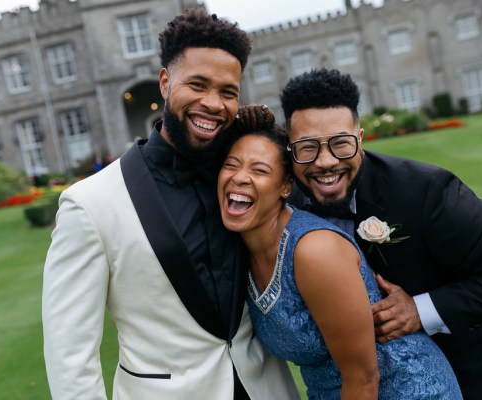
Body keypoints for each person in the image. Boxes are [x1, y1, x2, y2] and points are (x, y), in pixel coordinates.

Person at [42, 9, 299, 400]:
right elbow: (70, 355)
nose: (213, 103)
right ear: (165, 82)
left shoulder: (240, 178)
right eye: (197, 84)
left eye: (228, 92)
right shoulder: (89, 204)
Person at [280, 68, 482, 400]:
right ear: (289, 149)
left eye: (341, 144)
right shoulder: (287, 206)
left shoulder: (427, 191)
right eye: (307, 148)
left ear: (361, 139)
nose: (325, 162)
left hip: (471, 375)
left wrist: (420, 311)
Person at [217, 105, 462, 399]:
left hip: (402, 390)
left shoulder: (314, 251)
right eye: (231, 165)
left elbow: (363, 377)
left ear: (285, 187)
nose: (239, 177)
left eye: (259, 170)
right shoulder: (237, 248)